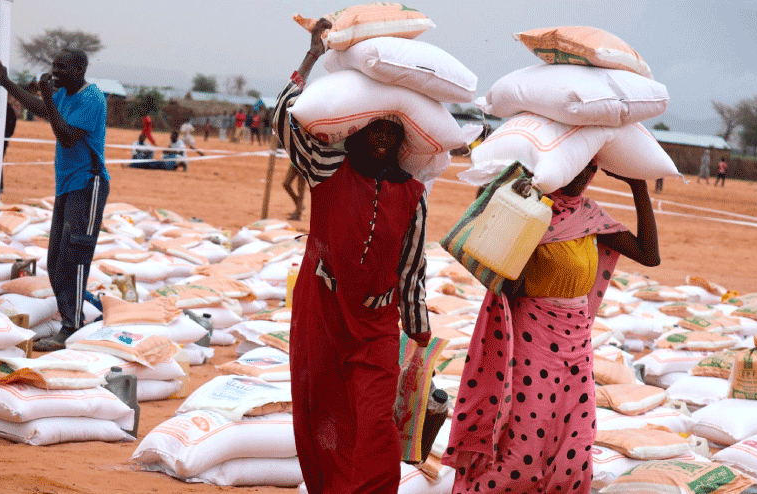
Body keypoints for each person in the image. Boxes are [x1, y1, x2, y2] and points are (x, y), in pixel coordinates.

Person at [275, 19, 431, 494]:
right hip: (322, 311)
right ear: (357, 127)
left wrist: (417, 324)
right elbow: (285, 120)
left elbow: (412, 265)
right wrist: (310, 57)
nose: (382, 138)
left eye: (391, 128)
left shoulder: (414, 193)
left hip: (377, 324)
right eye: (373, 127)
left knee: (374, 424)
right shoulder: (326, 166)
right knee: (320, 415)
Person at [443, 160, 660, 494]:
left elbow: (649, 255)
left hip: (578, 343)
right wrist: (512, 203)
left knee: (577, 443)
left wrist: (639, 187)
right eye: (577, 166)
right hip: (532, 339)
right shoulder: (532, 210)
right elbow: (487, 248)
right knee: (523, 446)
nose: (584, 176)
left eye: (592, 169)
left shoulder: (589, 215)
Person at [0, 49, 110, 352]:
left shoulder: (91, 98)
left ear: (80, 69)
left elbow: (67, 136)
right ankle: (70, 320)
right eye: (54, 66)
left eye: (62, 67)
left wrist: (47, 94)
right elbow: (41, 107)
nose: (55, 72)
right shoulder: (63, 95)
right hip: (67, 186)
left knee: (74, 258)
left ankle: (71, 327)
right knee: (55, 261)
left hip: (88, 185)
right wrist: (8, 83)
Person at [2, 101, 17, 193]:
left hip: (2, 141)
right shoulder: (9, 110)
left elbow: (11, 128)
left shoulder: (9, 110)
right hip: (3, 140)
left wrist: (5, 137)